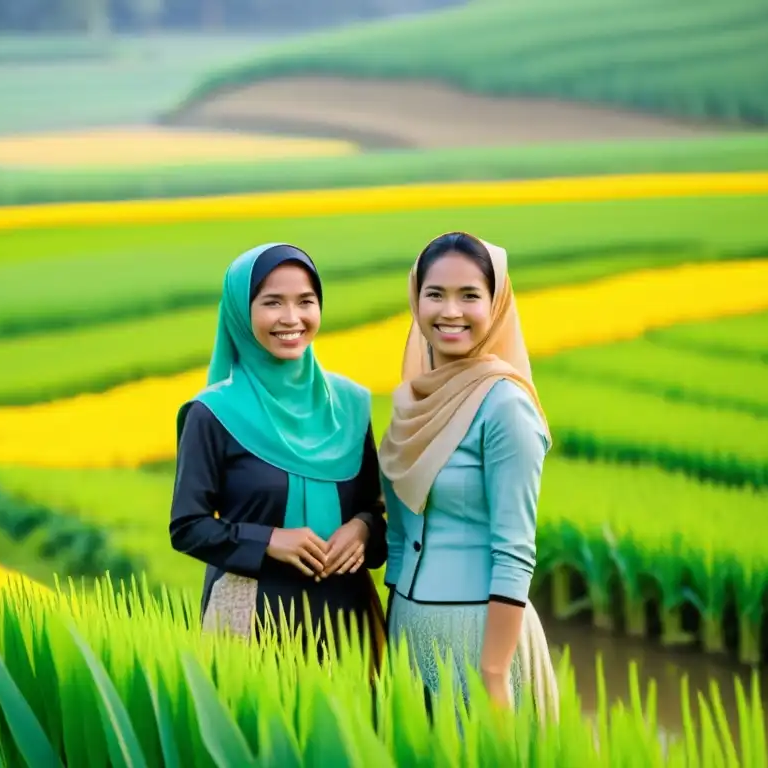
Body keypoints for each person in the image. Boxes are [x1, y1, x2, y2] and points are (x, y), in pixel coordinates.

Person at [169, 242, 387, 666]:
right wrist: (269, 539)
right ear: (240, 312)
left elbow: (374, 509)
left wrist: (362, 529)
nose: (292, 318)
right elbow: (188, 526)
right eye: (272, 303)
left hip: (347, 620)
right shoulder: (213, 414)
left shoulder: (349, 405)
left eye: (306, 301)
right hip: (251, 617)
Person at [378, 231, 559, 721]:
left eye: (470, 295)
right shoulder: (411, 402)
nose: (450, 311)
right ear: (416, 299)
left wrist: (495, 672)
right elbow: (399, 537)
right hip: (408, 633)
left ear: (496, 303)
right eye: (435, 294)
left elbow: (515, 550)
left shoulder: (505, 407)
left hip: (481, 639)